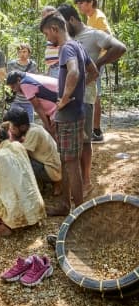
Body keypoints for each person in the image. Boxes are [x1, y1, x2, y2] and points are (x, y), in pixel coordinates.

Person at [57, 4, 126, 196]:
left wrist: (97, 64)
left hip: (86, 96)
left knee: (85, 140)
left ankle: (86, 182)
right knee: (73, 142)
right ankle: (75, 184)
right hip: (68, 97)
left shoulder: (93, 34)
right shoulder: (68, 39)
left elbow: (120, 47)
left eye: (63, 24)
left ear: (71, 19)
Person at [40, 12, 99, 216]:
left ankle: (80, 212)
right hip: (76, 112)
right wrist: (78, 90)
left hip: (69, 114)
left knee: (71, 163)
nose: (48, 38)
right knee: (67, 160)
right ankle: (65, 205)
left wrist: (64, 99)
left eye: (47, 33)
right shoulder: (79, 46)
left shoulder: (67, 48)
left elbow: (73, 72)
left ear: (55, 29)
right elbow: (94, 72)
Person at [74, 0, 112, 142]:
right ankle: (93, 128)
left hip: (96, 62)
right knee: (92, 94)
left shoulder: (99, 17)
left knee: (94, 95)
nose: (79, 7)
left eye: (81, 3)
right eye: (78, 4)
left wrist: (99, 61)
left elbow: (108, 39)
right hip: (91, 62)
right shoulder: (90, 18)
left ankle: (96, 130)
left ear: (90, 2)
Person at [3, 107, 62, 195]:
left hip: (52, 171)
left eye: (12, 128)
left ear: (22, 127)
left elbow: (19, 154)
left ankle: (40, 185)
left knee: (16, 160)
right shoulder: (30, 128)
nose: (11, 130)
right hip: (49, 166)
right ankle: (41, 184)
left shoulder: (33, 132)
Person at [6, 71, 58, 139]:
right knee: (49, 134)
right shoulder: (27, 76)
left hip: (58, 107)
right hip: (56, 105)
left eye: (13, 87)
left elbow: (37, 107)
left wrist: (48, 126)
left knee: (53, 133)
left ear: (18, 80)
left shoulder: (25, 84)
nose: (14, 90)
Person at [7, 43, 37, 123]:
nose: (22, 54)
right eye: (20, 52)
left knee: (30, 125)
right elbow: (9, 81)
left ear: (29, 53)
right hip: (15, 100)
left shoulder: (33, 65)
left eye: (24, 51)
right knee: (14, 125)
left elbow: (33, 81)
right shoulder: (11, 64)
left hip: (28, 100)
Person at [41, 6, 60, 78]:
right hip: (52, 67)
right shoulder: (48, 29)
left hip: (58, 66)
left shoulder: (58, 28)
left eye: (44, 16)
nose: (42, 18)